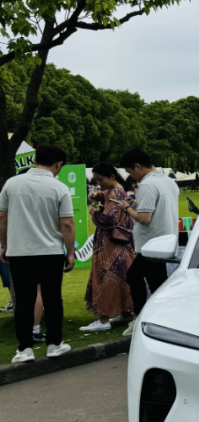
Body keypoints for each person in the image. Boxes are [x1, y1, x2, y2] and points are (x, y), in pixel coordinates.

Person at [0, 145, 75, 362]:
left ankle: (24, 349)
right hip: (50, 252)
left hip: (20, 252)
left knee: (24, 300)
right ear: (59, 164)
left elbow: (2, 218)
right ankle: (54, 344)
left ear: (35, 161)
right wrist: (70, 252)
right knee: (52, 299)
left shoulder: (11, 184)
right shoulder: (59, 187)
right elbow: (67, 224)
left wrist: (4, 245)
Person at [117, 150, 179, 337]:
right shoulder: (168, 181)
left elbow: (144, 218)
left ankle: (140, 319)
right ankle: (164, 319)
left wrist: (126, 208)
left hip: (152, 243)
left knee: (134, 276)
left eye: (130, 172)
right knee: (157, 283)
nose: (131, 176)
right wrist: (135, 205)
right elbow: (155, 209)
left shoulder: (147, 184)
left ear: (138, 166)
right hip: (166, 239)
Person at [79, 162, 136, 332]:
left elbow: (109, 219)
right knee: (120, 279)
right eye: (96, 180)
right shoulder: (117, 191)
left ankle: (103, 320)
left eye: (100, 179)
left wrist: (94, 213)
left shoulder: (115, 192)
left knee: (104, 278)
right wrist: (99, 196)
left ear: (112, 176)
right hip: (120, 244)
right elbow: (110, 199)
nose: (98, 183)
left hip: (110, 246)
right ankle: (126, 312)